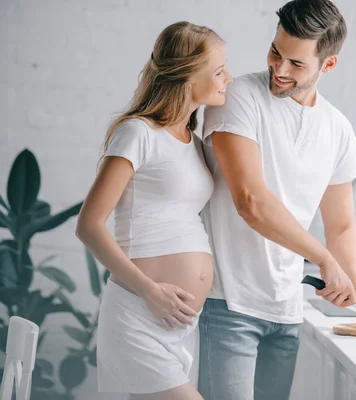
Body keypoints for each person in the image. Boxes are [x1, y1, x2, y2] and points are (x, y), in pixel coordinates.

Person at [199, 1, 356, 399]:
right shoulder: (239, 98)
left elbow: (341, 226)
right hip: (228, 303)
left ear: (328, 66)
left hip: (286, 312)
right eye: (276, 51)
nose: (279, 68)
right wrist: (325, 261)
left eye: (296, 63)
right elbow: (250, 201)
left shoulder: (337, 129)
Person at [76, 21, 232, 400]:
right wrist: (149, 291)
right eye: (218, 70)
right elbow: (89, 225)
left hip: (179, 324)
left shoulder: (193, 141)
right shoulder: (138, 133)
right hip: (138, 312)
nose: (229, 77)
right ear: (187, 76)